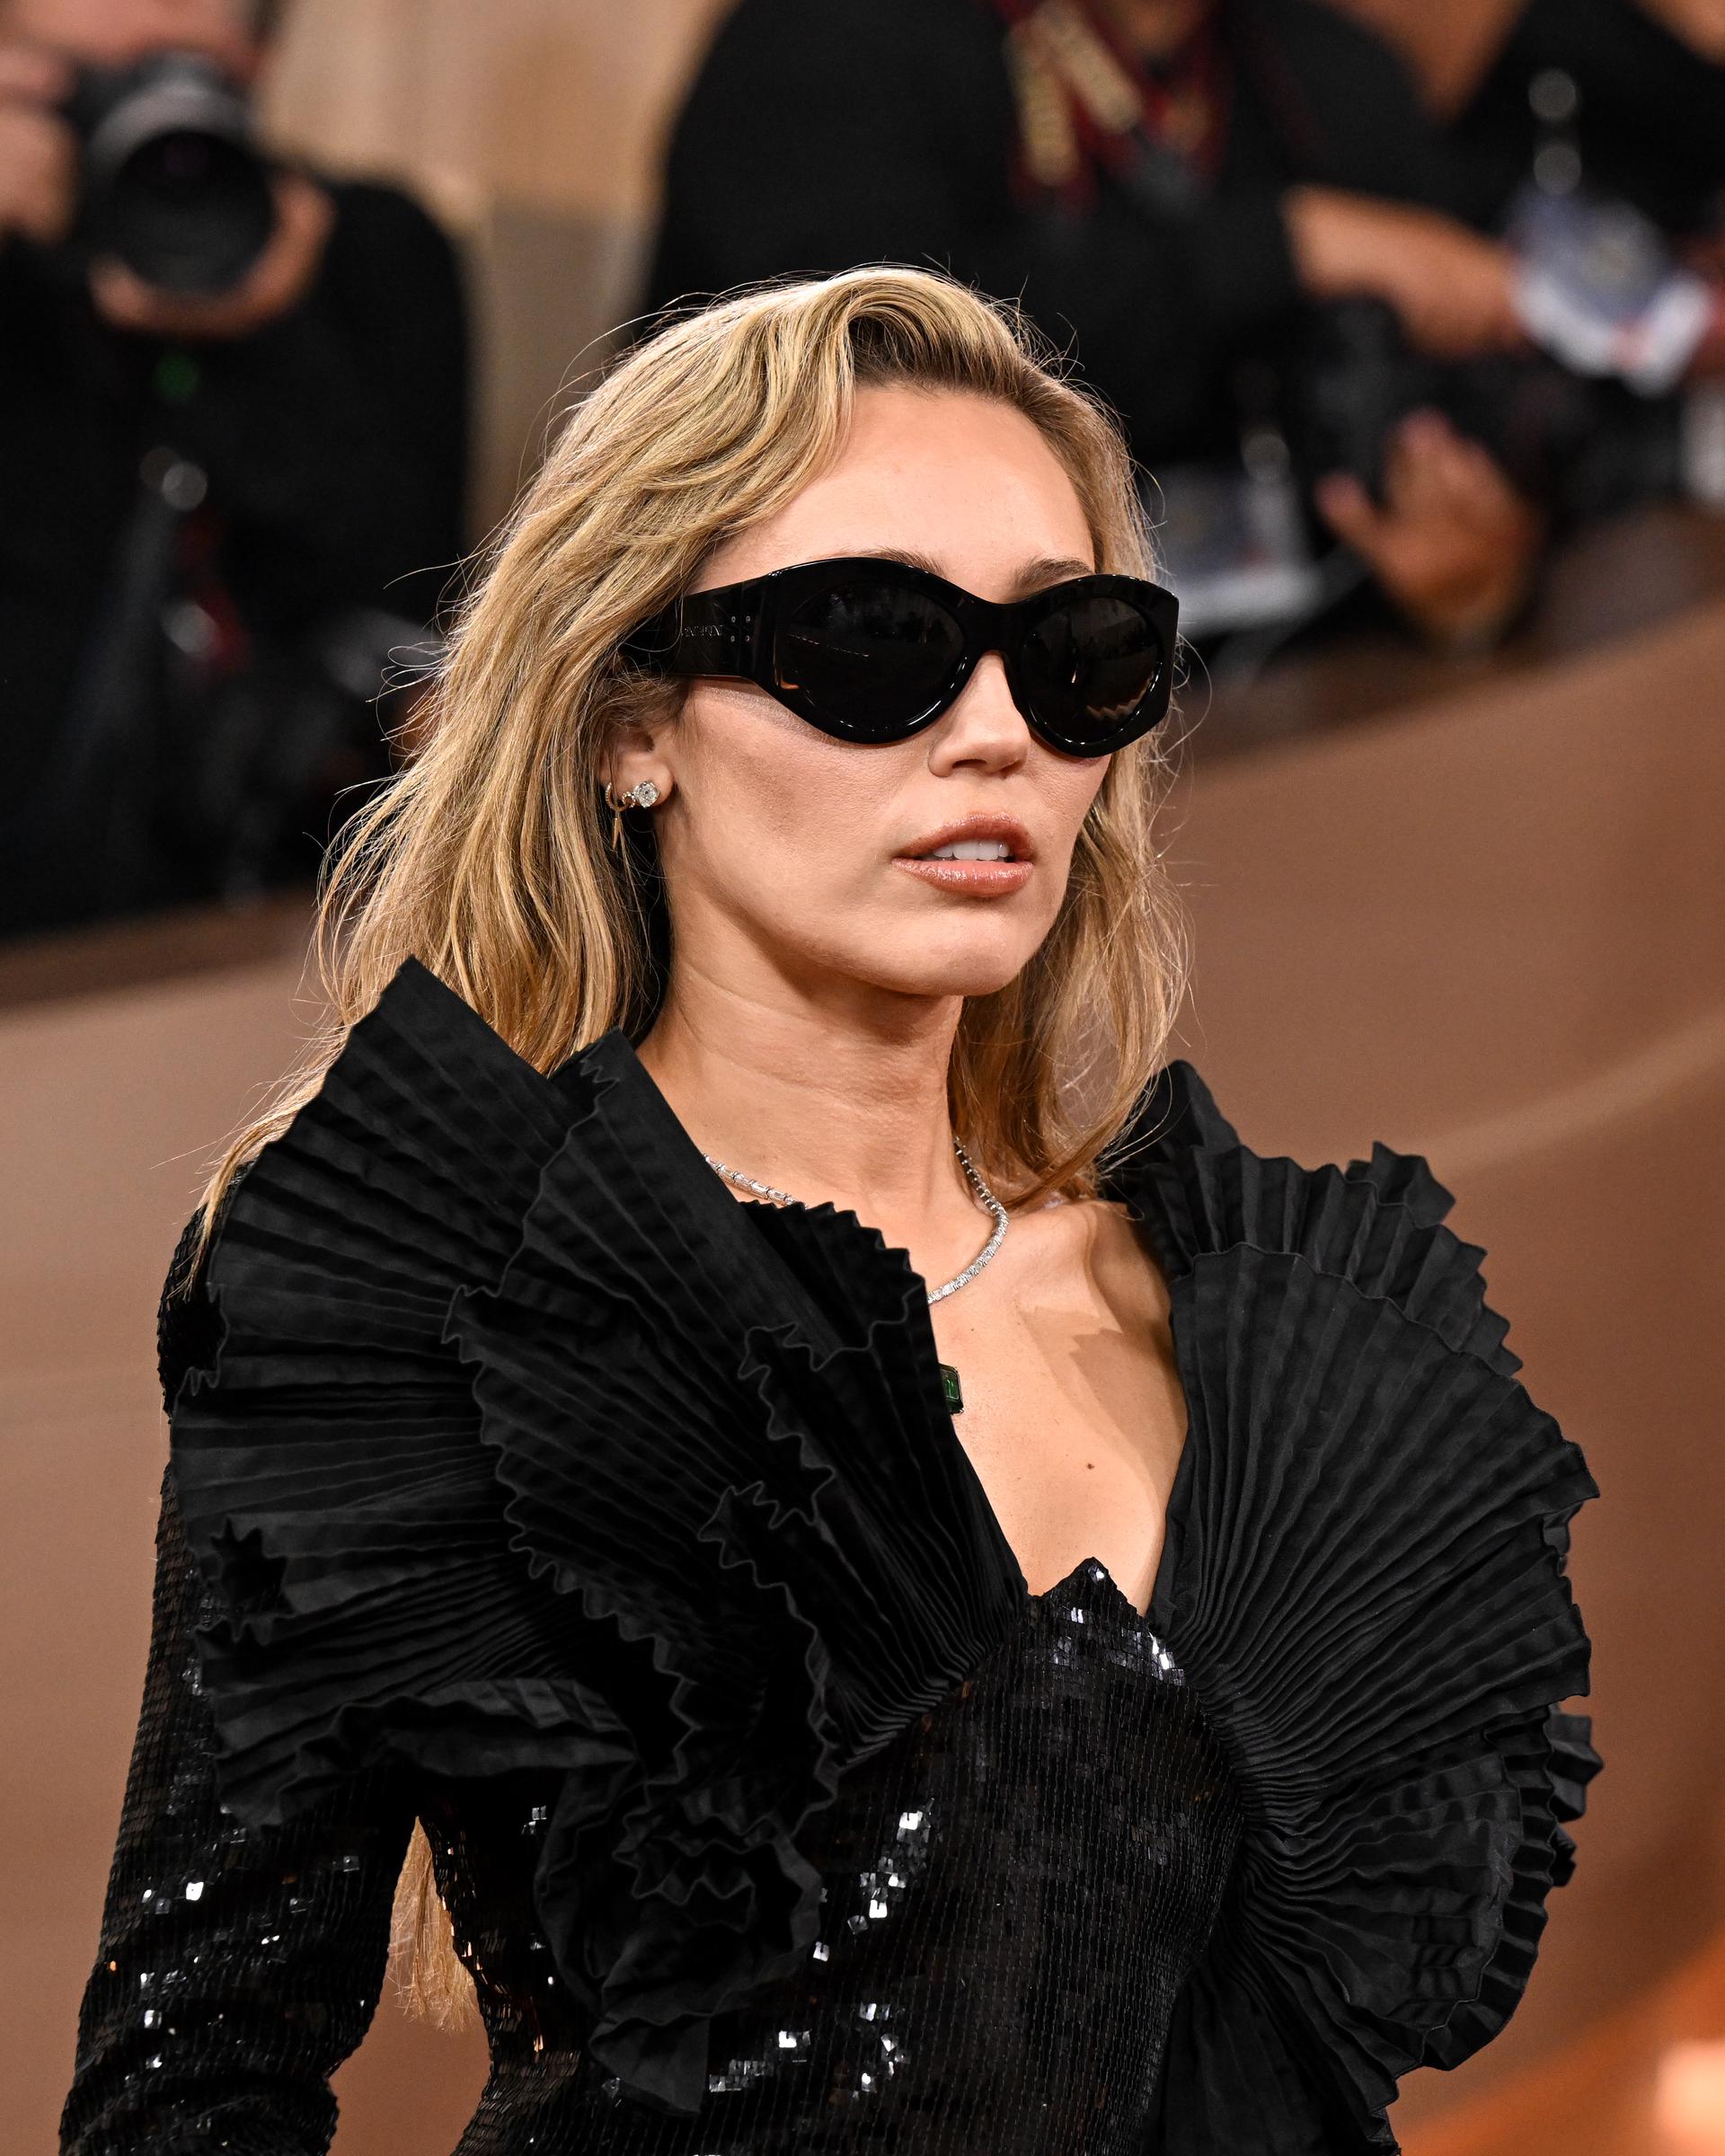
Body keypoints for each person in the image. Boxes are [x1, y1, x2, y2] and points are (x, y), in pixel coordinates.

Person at [59, 266, 1599, 2152]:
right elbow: (192, 2082)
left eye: (1074, 652)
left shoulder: (1256, 1324)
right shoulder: (418, 1312)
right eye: (870, 643)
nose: (994, 735)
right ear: (632, 722)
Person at [643, 0, 1546, 649]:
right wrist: (1285, 246)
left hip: (1269, 735)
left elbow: (1508, 408)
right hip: (865, 699)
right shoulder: (822, 42)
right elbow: (876, 367)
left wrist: (1477, 561)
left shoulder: (1329, 75)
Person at [0, 0, 470, 939]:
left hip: (251, 943)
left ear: (256, 61)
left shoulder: (371, 254)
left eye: (180, 73)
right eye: (94, 90)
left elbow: (419, 623)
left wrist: (267, 337)